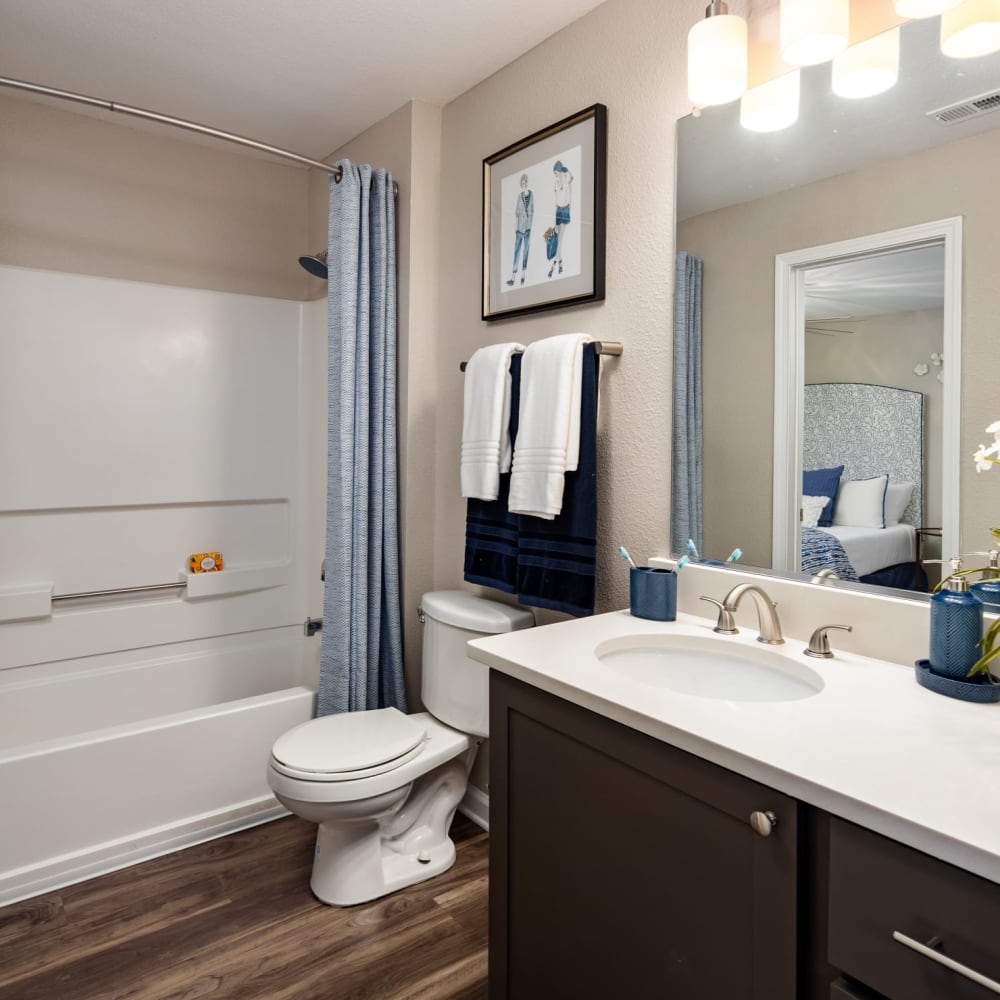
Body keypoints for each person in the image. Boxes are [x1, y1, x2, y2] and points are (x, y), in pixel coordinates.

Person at [506, 173, 533, 287]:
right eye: (523, 183)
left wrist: (529, 226)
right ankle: (513, 277)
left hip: (527, 229)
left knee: (525, 252)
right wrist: (516, 228)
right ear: (521, 185)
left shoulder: (531, 195)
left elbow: (532, 211)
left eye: (526, 182)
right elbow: (516, 212)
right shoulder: (519, 196)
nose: (525, 184)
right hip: (519, 229)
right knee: (516, 252)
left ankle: (523, 276)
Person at [549, 160, 573, 279]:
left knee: (561, 238)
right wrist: (554, 221)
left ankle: (554, 263)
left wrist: (564, 169)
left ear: (559, 171)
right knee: (558, 237)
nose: (556, 175)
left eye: (556, 173)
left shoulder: (566, 178)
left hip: (565, 210)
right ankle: (559, 261)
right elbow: (555, 201)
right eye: (555, 174)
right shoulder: (555, 183)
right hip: (558, 210)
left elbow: (570, 175)